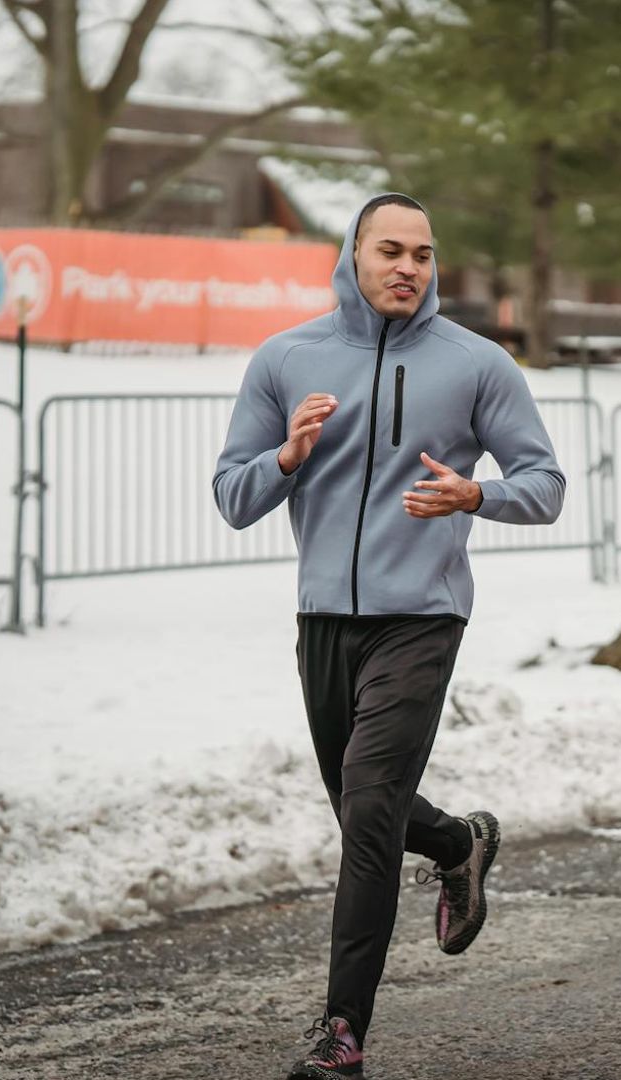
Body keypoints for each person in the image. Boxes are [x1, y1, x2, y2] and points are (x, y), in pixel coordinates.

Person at [213, 192, 565, 1079]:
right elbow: (231, 494)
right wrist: (286, 458)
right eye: (391, 251)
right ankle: (458, 844)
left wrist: (477, 494)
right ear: (354, 255)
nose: (409, 266)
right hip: (324, 617)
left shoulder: (476, 364)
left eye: (422, 253)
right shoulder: (287, 358)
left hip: (423, 614)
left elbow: (546, 482)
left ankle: (341, 1032)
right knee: (360, 803)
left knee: (368, 813)